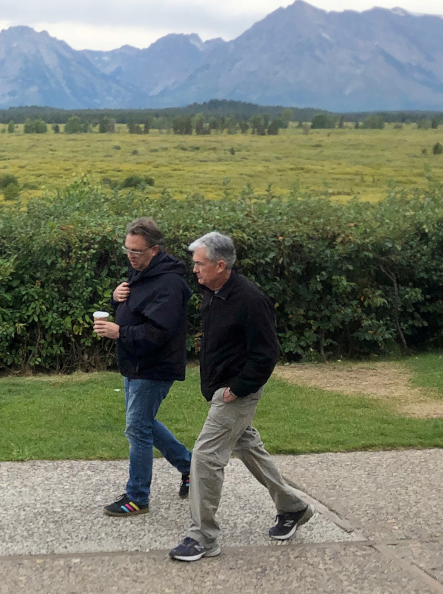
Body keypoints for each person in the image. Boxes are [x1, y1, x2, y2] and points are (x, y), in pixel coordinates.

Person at [169, 231, 314, 562]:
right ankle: (293, 509)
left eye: (199, 264)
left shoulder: (249, 299)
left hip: (236, 393)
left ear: (221, 265)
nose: (194, 271)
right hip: (221, 389)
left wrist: (237, 389)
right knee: (248, 446)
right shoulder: (212, 291)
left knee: (205, 457)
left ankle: (203, 537)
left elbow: (266, 353)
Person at [94, 217, 192, 517]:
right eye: (127, 250)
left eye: (136, 251)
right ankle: (191, 468)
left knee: (137, 428)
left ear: (155, 249)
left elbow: (158, 332)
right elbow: (134, 308)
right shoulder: (141, 273)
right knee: (144, 424)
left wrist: (118, 332)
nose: (130, 256)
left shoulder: (170, 283)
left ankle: (137, 497)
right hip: (134, 363)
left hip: (154, 366)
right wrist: (117, 298)